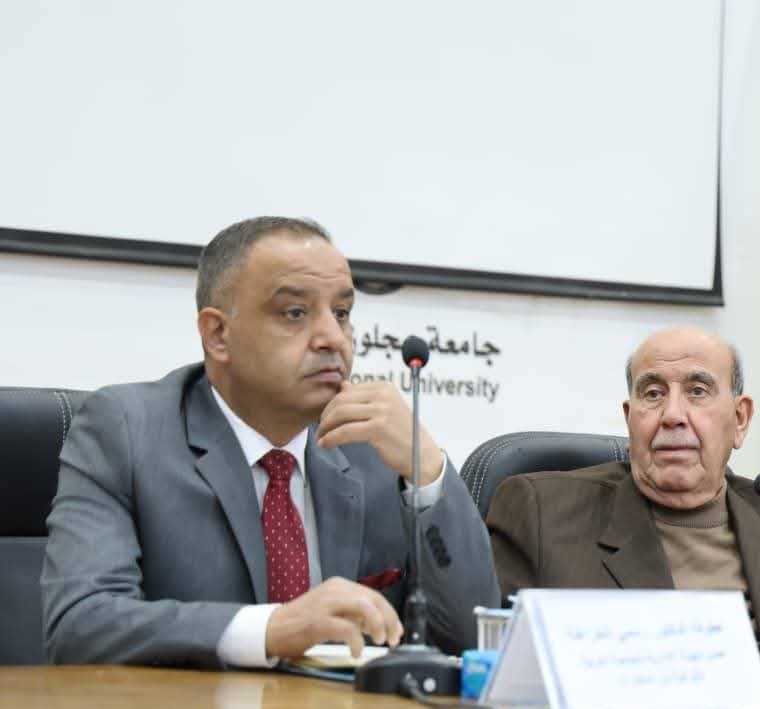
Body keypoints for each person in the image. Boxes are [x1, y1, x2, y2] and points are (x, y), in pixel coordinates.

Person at [42, 217, 500, 667]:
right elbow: (82, 625)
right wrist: (271, 630)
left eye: (342, 313)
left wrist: (427, 473)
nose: (332, 338)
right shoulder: (127, 431)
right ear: (218, 334)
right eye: (295, 313)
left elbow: (472, 639)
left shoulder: (373, 447)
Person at [485, 326, 760, 657]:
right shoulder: (542, 516)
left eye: (697, 391)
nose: (672, 414)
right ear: (630, 419)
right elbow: (488, 668)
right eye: (653, 394)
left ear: (740, 419)